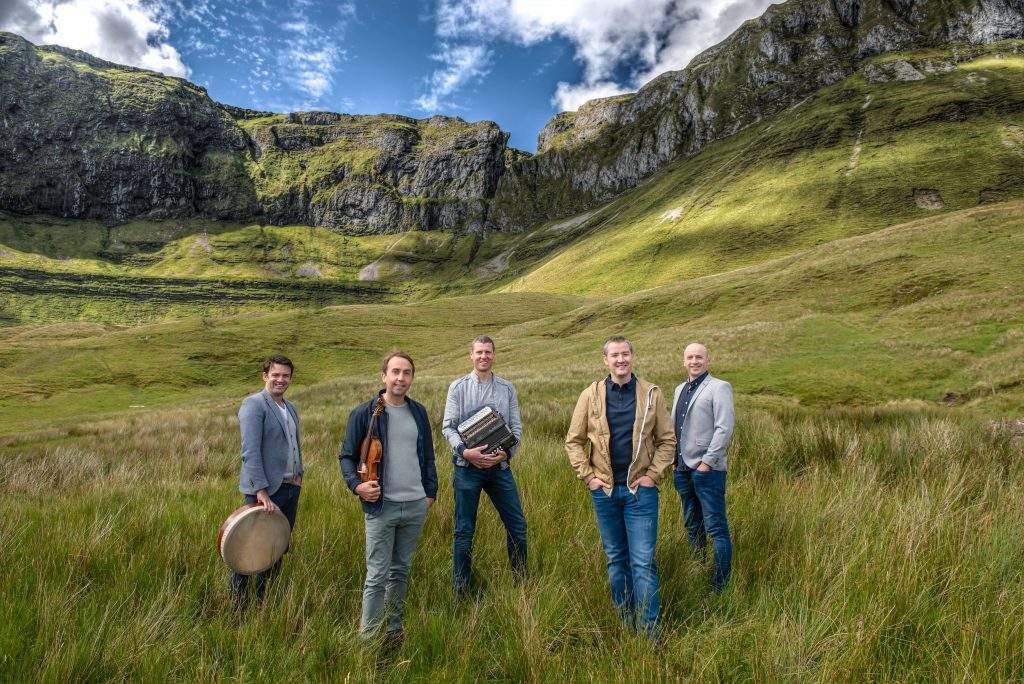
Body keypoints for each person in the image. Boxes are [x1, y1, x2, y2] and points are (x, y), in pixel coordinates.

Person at [564, 336, 675, 635]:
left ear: (633, 357)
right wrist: (589, 477)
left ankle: (649, 632)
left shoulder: (652, 393)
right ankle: (625, 624)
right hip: (606, 492)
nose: (621, 360)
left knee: (643, 564)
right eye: (615, 355)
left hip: (641, 492)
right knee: (616, 561)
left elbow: (667, 441)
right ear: (605, 360)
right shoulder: (590, 395)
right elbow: (573, 441)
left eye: (625, 354)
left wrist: (653, 476)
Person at [339, 350, 438, 639]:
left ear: (412, 378)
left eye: (407, 373)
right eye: (395, 372)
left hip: (415, 505)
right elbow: (346, 456)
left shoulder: (418, 411)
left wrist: (429, 492)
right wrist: (356, 486)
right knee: (377, 576)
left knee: (401, 571)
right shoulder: (365, 413)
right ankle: (368, 641)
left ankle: (394, 631)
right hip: (381, 507)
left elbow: (428, 456)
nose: (401, 378)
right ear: (384, 376)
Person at [441, 335, 527, 596]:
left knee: (518, 527)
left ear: (494, 355)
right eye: (479, 352)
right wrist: (466, 452)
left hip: (499, 470)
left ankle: (521, 583)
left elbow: (516, 428)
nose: (483, 357)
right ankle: (461, 590)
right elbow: (448, 427)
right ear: (471, 355)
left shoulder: (507, 389)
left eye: (488, 352)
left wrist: (505, 454)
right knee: (464, 531)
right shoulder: (457, 388)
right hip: (466, 470)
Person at [232, 354, 304, 607]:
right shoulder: (254, 405)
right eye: (275, 375)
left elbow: (294, 446)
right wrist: (261, 491)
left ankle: (265, 601)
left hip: (289, 488)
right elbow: (249, 451)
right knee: (250, 550)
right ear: (265, 376)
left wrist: (298, 477)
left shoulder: (290, 407)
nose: (280, 380)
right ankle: (239, 606)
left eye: (285, 376)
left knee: (276, 548)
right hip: (265, 492)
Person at [671, 342, 735, 593]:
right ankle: (696, 571)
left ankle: (720, 585)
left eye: (699, 357)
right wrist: (675, 463)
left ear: (708, 360)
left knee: (716, 528)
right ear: (684, 361)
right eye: (690, 357)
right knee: (691, 525)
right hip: (682, 470)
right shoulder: (679, 389)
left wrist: (707, 463)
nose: (694, 361)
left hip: (707, 471)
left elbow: (724, 428)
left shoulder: (719, 387)